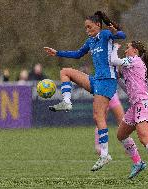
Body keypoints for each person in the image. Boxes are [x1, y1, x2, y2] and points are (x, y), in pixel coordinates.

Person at [43, 11, 126, 171]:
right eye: (85, 28)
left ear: (98, 25)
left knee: (98, 116)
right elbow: (78, 54)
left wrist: (113, 27)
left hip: (107, 81)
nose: (87, 30)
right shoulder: (91, 41)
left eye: (89, 27)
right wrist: (57, 52)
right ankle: (66, 101)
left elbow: (122, 35)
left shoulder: (105, 35)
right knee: (65, 72)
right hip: (96, 80)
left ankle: (105, 155)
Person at [110, 41, 148, 183]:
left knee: (144, 138)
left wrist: (114, 47)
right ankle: (138, 163)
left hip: (143, 104)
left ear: (135, 51)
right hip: (135, 105)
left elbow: (114, 60)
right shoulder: (129, 66)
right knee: (121, 135)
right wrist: (117, 77)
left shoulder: (135, 61)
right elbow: (128, 89)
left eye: (128, 48)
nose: (125, 51)